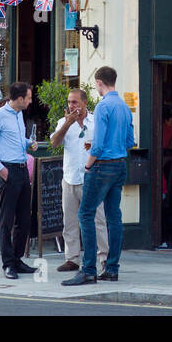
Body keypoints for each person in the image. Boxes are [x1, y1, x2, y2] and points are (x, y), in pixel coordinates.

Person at [64, 67, 135, 286]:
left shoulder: (104, 106)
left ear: (99, 82)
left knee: (85, 214)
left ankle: (88, 270)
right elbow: (130, 140)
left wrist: (88, 165)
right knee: (114, 217)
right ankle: (112, 269)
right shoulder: (123, 106)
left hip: (102, 166)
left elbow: (99, 143)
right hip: (120, 164)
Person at [50, 87, 108, 273]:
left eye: (75, 102)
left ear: (84, 103)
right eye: (69, 102)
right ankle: (72, 258)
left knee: (98, 220)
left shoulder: (95, 122)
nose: (71, 105)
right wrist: (67, 124)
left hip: (91, 178)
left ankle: (104, 257)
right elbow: (54, 143)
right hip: (70, 177)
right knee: (70, 221)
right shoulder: (63, 122)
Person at [0, 82, 39, 278]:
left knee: (24, 219)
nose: (31, 101)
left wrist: (27, 143)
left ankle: (17, 260)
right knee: (6, 220)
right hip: (9, 170)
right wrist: (1, 170)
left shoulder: (18, 115)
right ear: (20, 98)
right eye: (29, 97)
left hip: (23, 169)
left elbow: (14, 140)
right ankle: (8, 263)